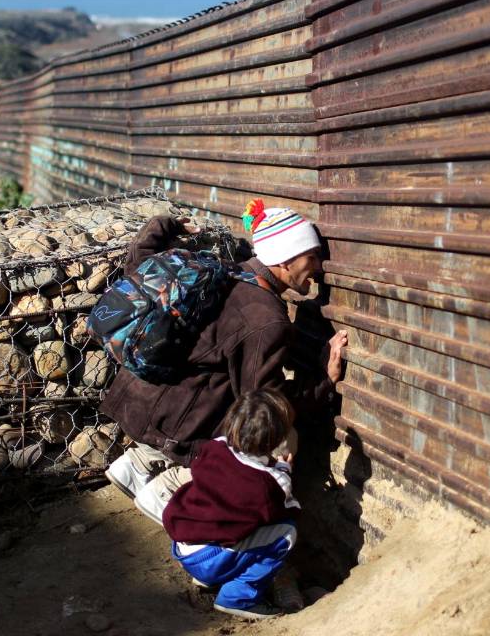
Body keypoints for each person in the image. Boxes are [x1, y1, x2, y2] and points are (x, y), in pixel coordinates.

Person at [102, 199, 348, 522]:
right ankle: (175, 488)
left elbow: (138, 263)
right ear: (285, 261)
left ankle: (138, 462)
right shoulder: (266, 319)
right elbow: (265, 405)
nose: (317, 270)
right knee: (279, 438)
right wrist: (323, 384)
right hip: (173, 422)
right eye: (312, 257)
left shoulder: (221, 271)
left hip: (135, 402)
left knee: (214, 381)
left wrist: (167, 225)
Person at [162, 388, 300, 620]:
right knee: (286, 532)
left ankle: (209, 578)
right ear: (277, 440)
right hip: (211, 558)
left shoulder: (215, 446)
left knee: (227, 518)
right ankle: (238, 598)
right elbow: (286, 510)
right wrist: (285, 471)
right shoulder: (271, 484)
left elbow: (239, 473)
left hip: (185, 546)